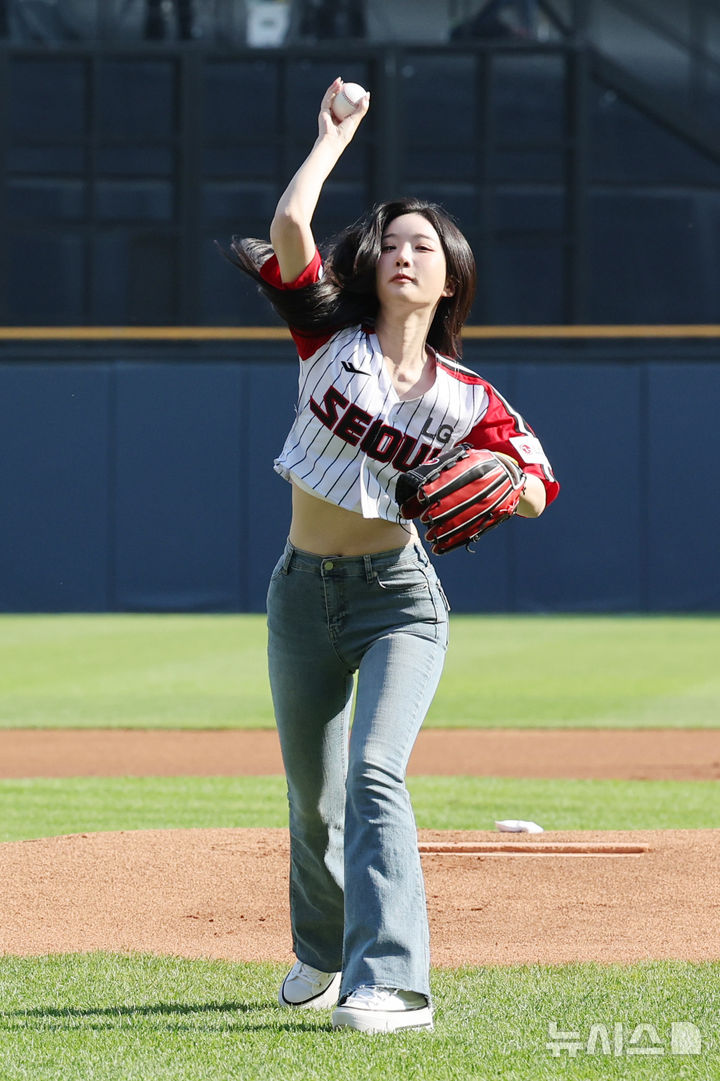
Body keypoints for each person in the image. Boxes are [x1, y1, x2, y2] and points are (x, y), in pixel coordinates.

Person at [223, 78, 559, 1034]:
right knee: (314, 800)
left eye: (425, 246)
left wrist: (504, 480)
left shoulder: (469, 398)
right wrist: (333, 137)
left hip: (398, 598)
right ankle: (323, 949)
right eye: (395, 243)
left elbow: (538, 486)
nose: (406, 254)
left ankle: (396, 981)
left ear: (450, 279)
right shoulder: (327, 334)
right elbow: (291, 227)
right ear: (373, 267)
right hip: (301, 594)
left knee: (376, 769)